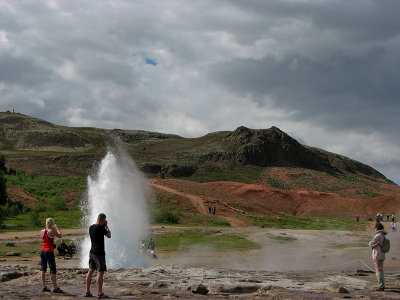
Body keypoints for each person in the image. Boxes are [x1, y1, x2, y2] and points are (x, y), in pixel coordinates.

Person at [85, 213, 111, 298]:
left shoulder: (91, 227)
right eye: (105, 220)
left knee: (90, 271)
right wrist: (106, 226)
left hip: (92, 252)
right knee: (100, 272)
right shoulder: (101, 227)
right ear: (103, 220)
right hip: (99, 253)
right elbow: (109, 235)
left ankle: (87, 291)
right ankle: (99, 293)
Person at [40, 218, 64, 293]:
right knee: (52, 268)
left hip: (42, 250)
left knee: (43, 268)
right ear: (52, 224)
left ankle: (44, 286)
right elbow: (60, 236)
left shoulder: (42, 231)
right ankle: (55, 287)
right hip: (49, 251)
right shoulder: (53, 231)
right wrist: (57, 228)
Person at [369, 223, 387, 291]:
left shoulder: (378, 235)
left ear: (377, 228)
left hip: (377, 255)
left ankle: (381, 286)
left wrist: (370, 243)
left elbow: (371, 243)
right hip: (381, 255)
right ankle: (382, 285)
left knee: (378, 271)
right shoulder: (382, 235)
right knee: (380, 270)